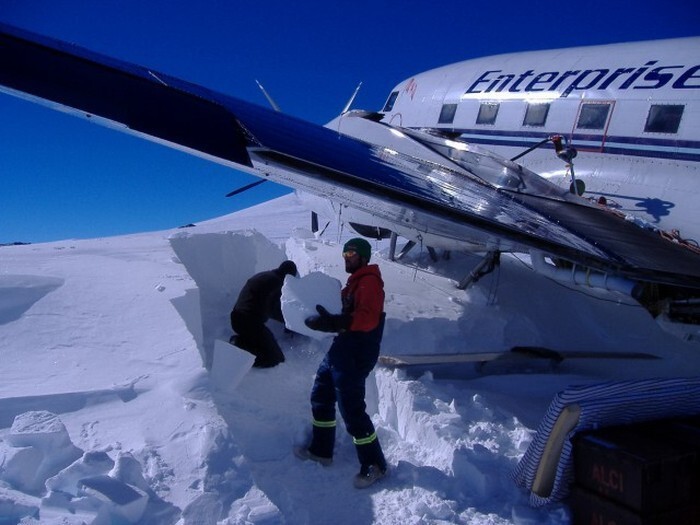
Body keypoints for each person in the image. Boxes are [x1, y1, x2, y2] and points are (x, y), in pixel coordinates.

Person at [295, 238, 388, 488]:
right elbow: (343, 312)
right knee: (321, 394)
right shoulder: (354, 282)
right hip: (342, 350)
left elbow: (367, 319)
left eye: (351, 253)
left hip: (357, 353)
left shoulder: (369, 282)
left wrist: (337, 323)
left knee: (351, 409)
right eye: (345, 252)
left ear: (364, 256)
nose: (346, 257)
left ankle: (375, 464)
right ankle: (321, 450)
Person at [230, 260, 297, 368]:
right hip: (250, 323)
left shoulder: (264, 275)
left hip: (237, 319)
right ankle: (238, 348)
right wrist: (291, 325)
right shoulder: (278, 284)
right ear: (288, 276)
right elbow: (280, 310)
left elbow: (269, 307)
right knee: (276, 359)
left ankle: (240, 342)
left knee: (262, 342)